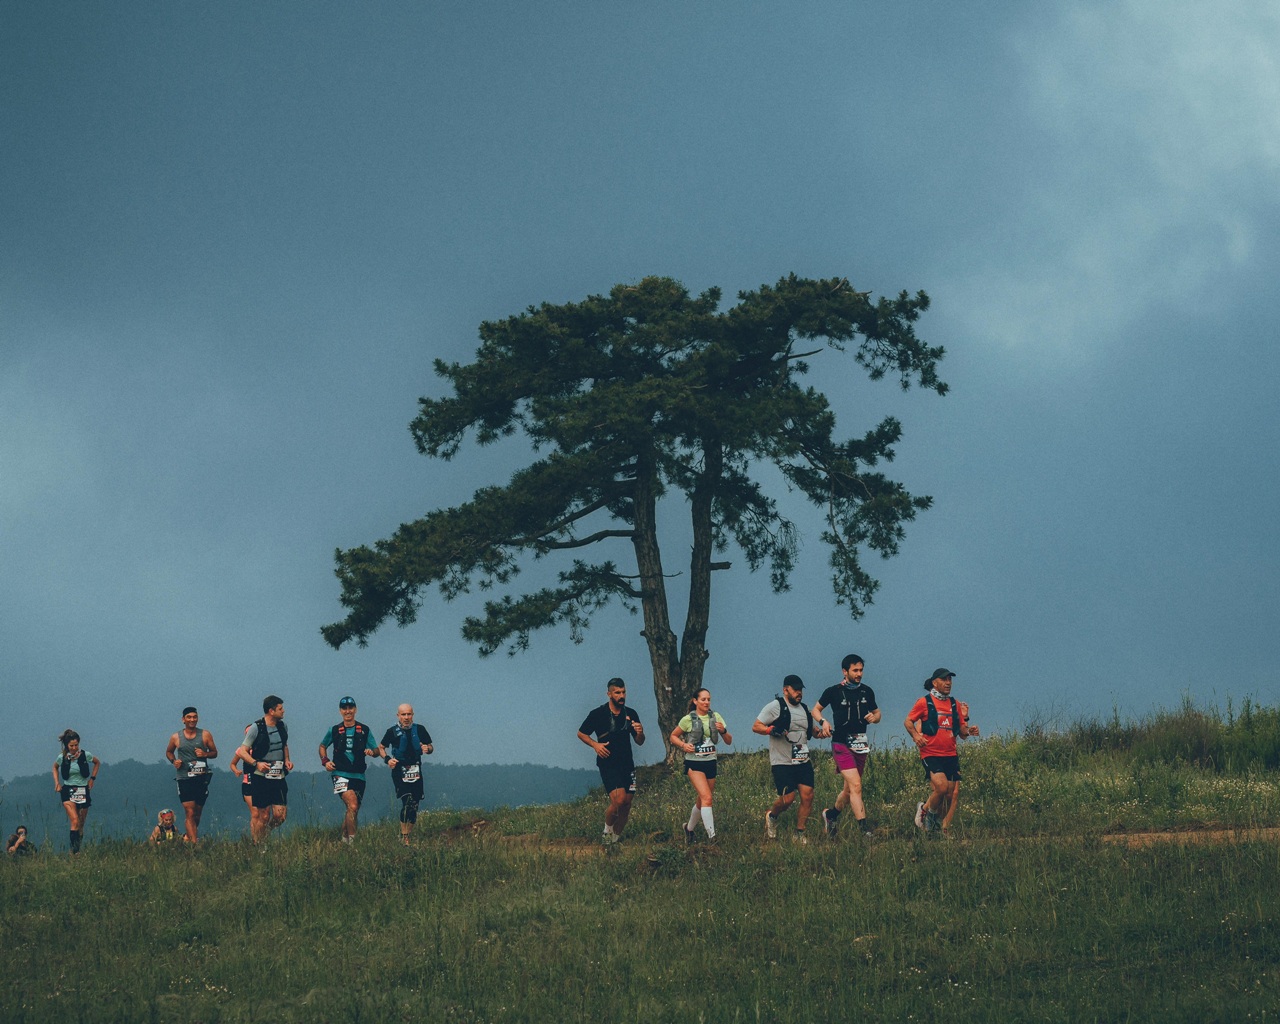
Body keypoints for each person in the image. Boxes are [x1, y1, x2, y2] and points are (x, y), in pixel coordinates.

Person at [813, 654, 882, 837]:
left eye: (861, 670)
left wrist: (874, 718)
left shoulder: (867, 691)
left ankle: (830, 815)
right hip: (841, 743)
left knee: (848, 789)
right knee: (856, 785)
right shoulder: (833, 691)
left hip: (860, 744)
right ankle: (864, 830)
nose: (859, 674)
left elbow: (878, 713)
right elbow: (816, 709)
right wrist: (823, 722)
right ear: (845, 671)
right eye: (855, 670)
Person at [904, 668, 979, 837]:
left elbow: (961, 731)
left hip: (950, 754)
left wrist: (970, 730)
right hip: (931, 753)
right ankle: (926, 813)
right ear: (934, 682)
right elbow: (908, 721)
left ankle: (935, 827)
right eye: (944, 680)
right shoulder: (924, 702)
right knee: (942, 787)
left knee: (950, 795)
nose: (948, 683)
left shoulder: (954, 704)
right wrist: (916, 736)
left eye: (950, 680)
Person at [577, 677, 646, 844]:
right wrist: (595, 745)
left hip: (627, 763)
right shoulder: (598, 714)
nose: (621, 695)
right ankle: (606, 835)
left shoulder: (631, 713)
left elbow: (640, 741)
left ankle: (614, 840)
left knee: (627, 804)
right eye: (617, 692)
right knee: (618, 800)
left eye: (623, 692)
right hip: (608, 763)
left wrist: (640, 732)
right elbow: (581, 733)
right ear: (609, 694)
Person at [752, 675, 818, 843]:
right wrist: (770, 730)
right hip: (782, 761)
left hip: (802, 760)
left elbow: (812, 731)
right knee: (788, 799)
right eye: (795, 689)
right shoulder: (775, 706)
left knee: (808, 795)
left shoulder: (804, 709)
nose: (799, 693)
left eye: (800, 689)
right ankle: (772, 816)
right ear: (785, 690)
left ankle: (799, 833)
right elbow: (756, 726)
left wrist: (822, 732)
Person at [670, 688, 732, 843]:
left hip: (710, 762)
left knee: (702, 800)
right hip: (694, 763)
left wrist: (723, 730)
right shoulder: (687, 719)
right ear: (695, 701)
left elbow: (729, 741)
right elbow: (673, 736)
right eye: (703, 699)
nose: (706, 702)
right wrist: (684, 746)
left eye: (708, 699)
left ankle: (689, 829)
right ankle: (713, 837)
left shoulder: (716, 717)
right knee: (707, 797)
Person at [319, 696, 380, 844]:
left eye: (350, 708)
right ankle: (353, 844)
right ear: (340, 711)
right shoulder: (334, 730)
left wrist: (372, 752)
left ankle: (344, 840)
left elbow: (376, 749)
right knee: (352, 804)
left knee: (353, 809)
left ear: (355, 709)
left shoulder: (364, 730)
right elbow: (322, 746)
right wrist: (325, 761)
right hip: (340, 774)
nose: (348, 711)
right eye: (344, 708)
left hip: (359, 775)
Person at [235, 696, 293, 844]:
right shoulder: (256, 727)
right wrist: (256, 764)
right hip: (260, 776)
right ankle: (258, 845)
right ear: (271, 711)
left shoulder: (282, 726)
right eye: (280, 709)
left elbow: (284, 745)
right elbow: (242, 751)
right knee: (264, 815)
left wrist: (287, 760)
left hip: (278, 776)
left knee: (280, 816)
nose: (283, 711)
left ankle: (265, 833)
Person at [379, 703, 434, 846]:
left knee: (414, 806)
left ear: (413, 715)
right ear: (398, 715)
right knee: (407, 801)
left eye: (409, 714)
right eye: (403, 714)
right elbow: (381, 747)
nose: (406, 717)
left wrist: (427, 748)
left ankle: (406, 833)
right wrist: (387, 760)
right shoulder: (391, 731)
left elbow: (431, 746)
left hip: (416, 770)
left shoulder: (420, 729)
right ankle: (404, 838)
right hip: (399, 770)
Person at [165, 706, 219, 844]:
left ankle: (187, 838)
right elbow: (169, 752)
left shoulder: (205, 735)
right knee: (189, 812)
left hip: (201, 778)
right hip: (184, 778)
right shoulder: (176, 737)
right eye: (189, 717)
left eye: (194, 717)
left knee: (197, 814)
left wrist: (205, 754)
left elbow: (214, 753)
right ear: (183, 719)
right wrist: (174, 761)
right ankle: (195, 844)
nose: (192, 720)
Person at [52, 729, 100, 854]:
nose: (74, 748)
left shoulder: (85, 755)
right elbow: (55, 767)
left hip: (83, 789)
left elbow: (97, 762)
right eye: (71, 746)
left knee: (81, 824)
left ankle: (77, 849)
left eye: (76, 745)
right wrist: (57, 783)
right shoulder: (62, 757)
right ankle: (74, 852)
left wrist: (92, 779)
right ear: (67, 745)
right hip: (68, 790)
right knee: (74, 820)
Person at [228, 724, 254, 812]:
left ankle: (266, 826)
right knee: (255, 813)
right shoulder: (241, 750)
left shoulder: (264, 749)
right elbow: (232, 764)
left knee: (264, 814)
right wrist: (236, 771)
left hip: (263, 782)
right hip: (248, 783)